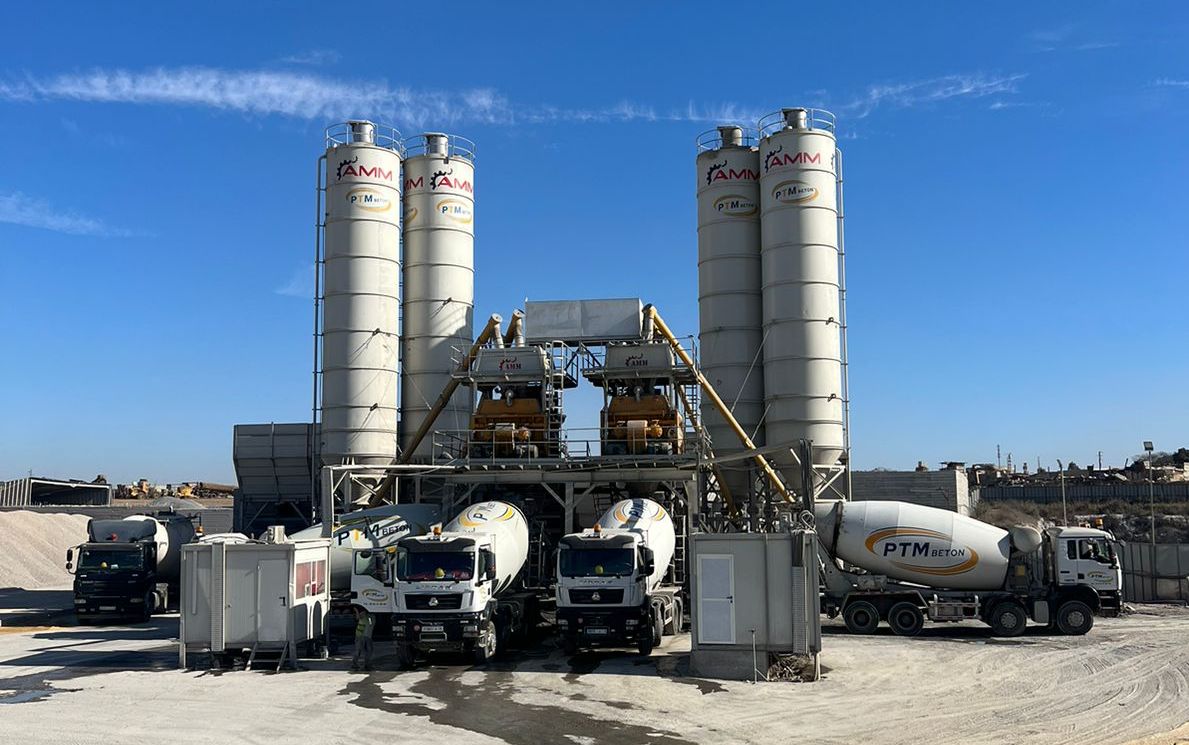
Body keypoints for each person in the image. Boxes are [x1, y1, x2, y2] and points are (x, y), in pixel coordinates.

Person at [351, 607, 375, 672]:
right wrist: (356, 611)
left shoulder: (371, 616)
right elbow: (358, 618)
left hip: (367, 636)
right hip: (361, 636)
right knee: (359, 651)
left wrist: (357, 611)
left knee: (368, 651)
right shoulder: (365, 615)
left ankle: (366, 664)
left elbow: (370, 624)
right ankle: (355, 664)